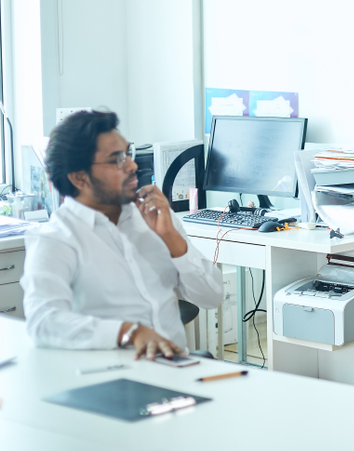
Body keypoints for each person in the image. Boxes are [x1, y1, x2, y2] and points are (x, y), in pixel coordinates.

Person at [21, 110, 223, 359]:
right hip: (110, 378)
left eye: (128, 153)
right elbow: (43, 322)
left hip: (176, 368)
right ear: (79, 178)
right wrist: (129, 332)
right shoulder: (56, 239)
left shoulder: (155, 216)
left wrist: (172, 239)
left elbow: (213, 296)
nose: (133, 165)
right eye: (117, 159)